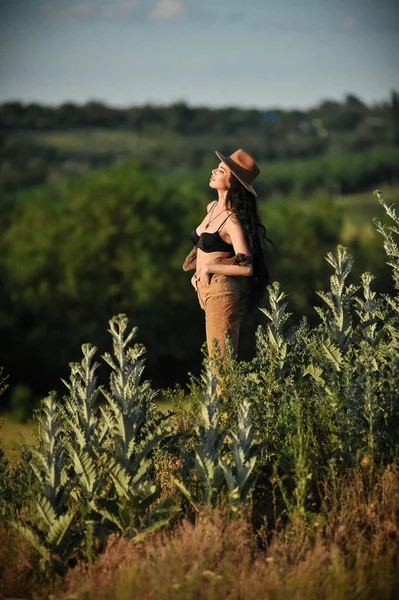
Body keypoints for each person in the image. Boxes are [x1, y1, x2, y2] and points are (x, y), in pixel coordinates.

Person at [183, 148, 271, 360]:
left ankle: (227, 395)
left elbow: (246, 266)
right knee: (216, 361)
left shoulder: (232, 221)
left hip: (222, 292)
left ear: (233, 184)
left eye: (221, 171)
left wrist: (208, 268)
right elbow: (206, 249)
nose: (213, 171)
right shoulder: (212, 207)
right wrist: (198, 272)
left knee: (220, 363)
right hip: (207, 291)